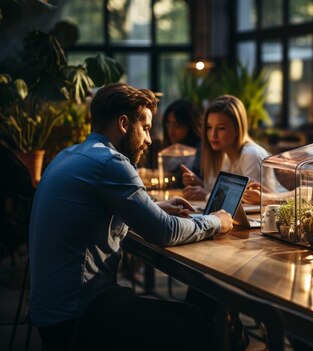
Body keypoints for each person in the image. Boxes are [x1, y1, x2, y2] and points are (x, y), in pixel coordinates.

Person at [28, 83, 233, 351]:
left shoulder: (67, 155)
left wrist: (153, 206)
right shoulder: (111, 162)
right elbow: (164, 232)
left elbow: (97, 210)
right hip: (80, 317)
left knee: (196, 313)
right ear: (124, 123)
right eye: (146, 128)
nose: (149, 139)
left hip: (48, 314)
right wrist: (216, 221)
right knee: (205, 328)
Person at [181, 95, 270, 203]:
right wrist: (198, 183)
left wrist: (206, 195)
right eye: (209, 127)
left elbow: (248, 200)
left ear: (237, 129)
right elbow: (224, 193)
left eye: (221, 128)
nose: (213, 135)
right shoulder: (224, 154)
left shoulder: (251, 154)